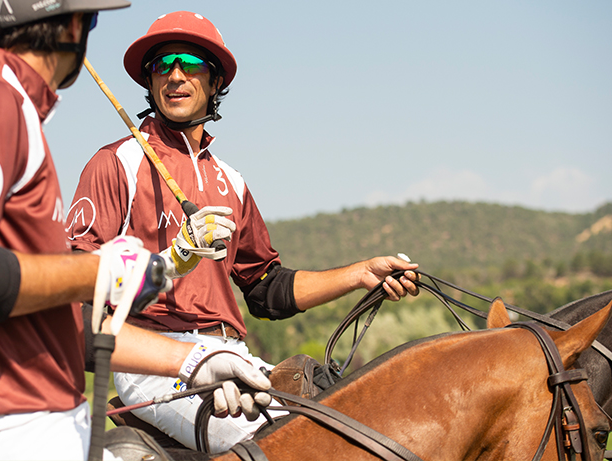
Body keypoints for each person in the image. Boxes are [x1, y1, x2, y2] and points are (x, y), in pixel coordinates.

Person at [0, 3, 272, 460]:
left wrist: (193, 361)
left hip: (35, 421)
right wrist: (97, 272)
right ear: (72, 25)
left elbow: (58, 319)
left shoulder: (8, 105)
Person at [67, 10, 421, 453]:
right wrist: (170, 264)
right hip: (153, 359)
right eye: (163, 65)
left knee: (355, 430)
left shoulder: (231, 181)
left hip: (232, 353)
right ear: (149, 80)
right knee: (290, 447)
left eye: (191, 65)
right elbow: (80, 283)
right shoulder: (116, 163)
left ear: (215, 82)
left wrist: (360, 274)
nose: (176, 76)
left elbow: (266, 290)